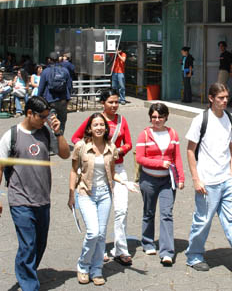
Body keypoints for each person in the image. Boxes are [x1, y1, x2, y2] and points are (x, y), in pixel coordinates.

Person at [185, 83, 232, 278]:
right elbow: (190, 150)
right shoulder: (200, 120)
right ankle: (194, 256)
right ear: (211, 98)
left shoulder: (230, 119)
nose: (225, 101)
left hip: (226, 180)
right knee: (202, 221)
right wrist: (196, 179)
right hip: (207, 182)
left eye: (226, 97)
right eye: (220, 98)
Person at [0, 96, 70, 291]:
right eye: (42, 116)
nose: (45, 120)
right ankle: (29, 285)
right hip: (20, 200)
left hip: (42, 200)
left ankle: (25, 271)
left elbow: (65, 154)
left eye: (48, 116)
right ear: (29, 113)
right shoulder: (11, 135)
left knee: (39, 244)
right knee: (28, 245)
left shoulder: (46, 133)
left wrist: (58, 132)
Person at [68, 113, 136, 285]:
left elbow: (112, 173)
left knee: (101, 235)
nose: (98, 128)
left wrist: (124, 182)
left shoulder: (111, 147)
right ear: (89, 128)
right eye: (95, 125)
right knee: (93, 232)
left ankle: (97, 269)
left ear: (106, 128)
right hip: (85, 193)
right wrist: (71, 195)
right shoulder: (81, 146)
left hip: (105, 194)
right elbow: (73, 170)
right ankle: (83, 266)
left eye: (101, 125)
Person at [135, 102, 185, 265]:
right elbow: (140, 158)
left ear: (166, 117)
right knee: (148, 212)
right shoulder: (145, 134)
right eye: (154, 117)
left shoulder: (173, 134)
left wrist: (181, 178)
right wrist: (158, 164)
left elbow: (177, 157)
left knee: (166, 214)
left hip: (167, 180)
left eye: (160, 117)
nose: (157, 120)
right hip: (148, 179)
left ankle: (167, 251)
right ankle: (148, 242)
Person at [37, 51, 71, 134]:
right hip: (62, 101)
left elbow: (41, 88)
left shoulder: (45, 72)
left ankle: (52, 142)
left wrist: (39, 99)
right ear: (59, 59)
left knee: (51, 123)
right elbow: (69, 86)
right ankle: (60, 139)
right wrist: (68, 98)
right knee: (62, 122)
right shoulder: (65, 71)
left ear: (49, 60)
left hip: (50, 101)